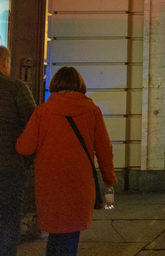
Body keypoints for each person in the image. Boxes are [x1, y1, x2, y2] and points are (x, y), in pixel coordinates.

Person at [16, 67, 117, 256]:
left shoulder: (42, 112)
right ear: (80, 85)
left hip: (49, 182)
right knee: (70, 232)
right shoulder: (92, 111)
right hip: (79, 182)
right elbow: (104, 150)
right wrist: (109, 180)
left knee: (57, 233)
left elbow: (24, 147)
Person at [0, 46, 36, 256]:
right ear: (5, 62)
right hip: (9, 167)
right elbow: (33, 126)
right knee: (9, 218)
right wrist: (26, 160)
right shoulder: (16, 87)